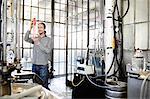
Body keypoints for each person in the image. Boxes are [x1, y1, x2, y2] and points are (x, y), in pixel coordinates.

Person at [24, 20, 51, 90]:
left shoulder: (48, 39)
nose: (39, 29)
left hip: (43, 66)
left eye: (41, 27)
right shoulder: (36, 38)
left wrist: (38, 43)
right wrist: (30, 28)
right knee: (35, 85)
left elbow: (47, 50)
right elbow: (26, 38)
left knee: (43, 86)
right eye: (38, 27)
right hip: (34, 65)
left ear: (44, 29)